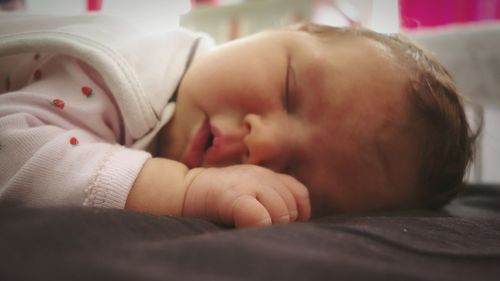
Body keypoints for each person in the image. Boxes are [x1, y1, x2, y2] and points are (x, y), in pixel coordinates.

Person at [0, 14, 476, 228]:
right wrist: (178, 188)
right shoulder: (125, 72)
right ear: (283, 32)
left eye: (292, 176)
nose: (263, 144)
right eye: (290, 91)